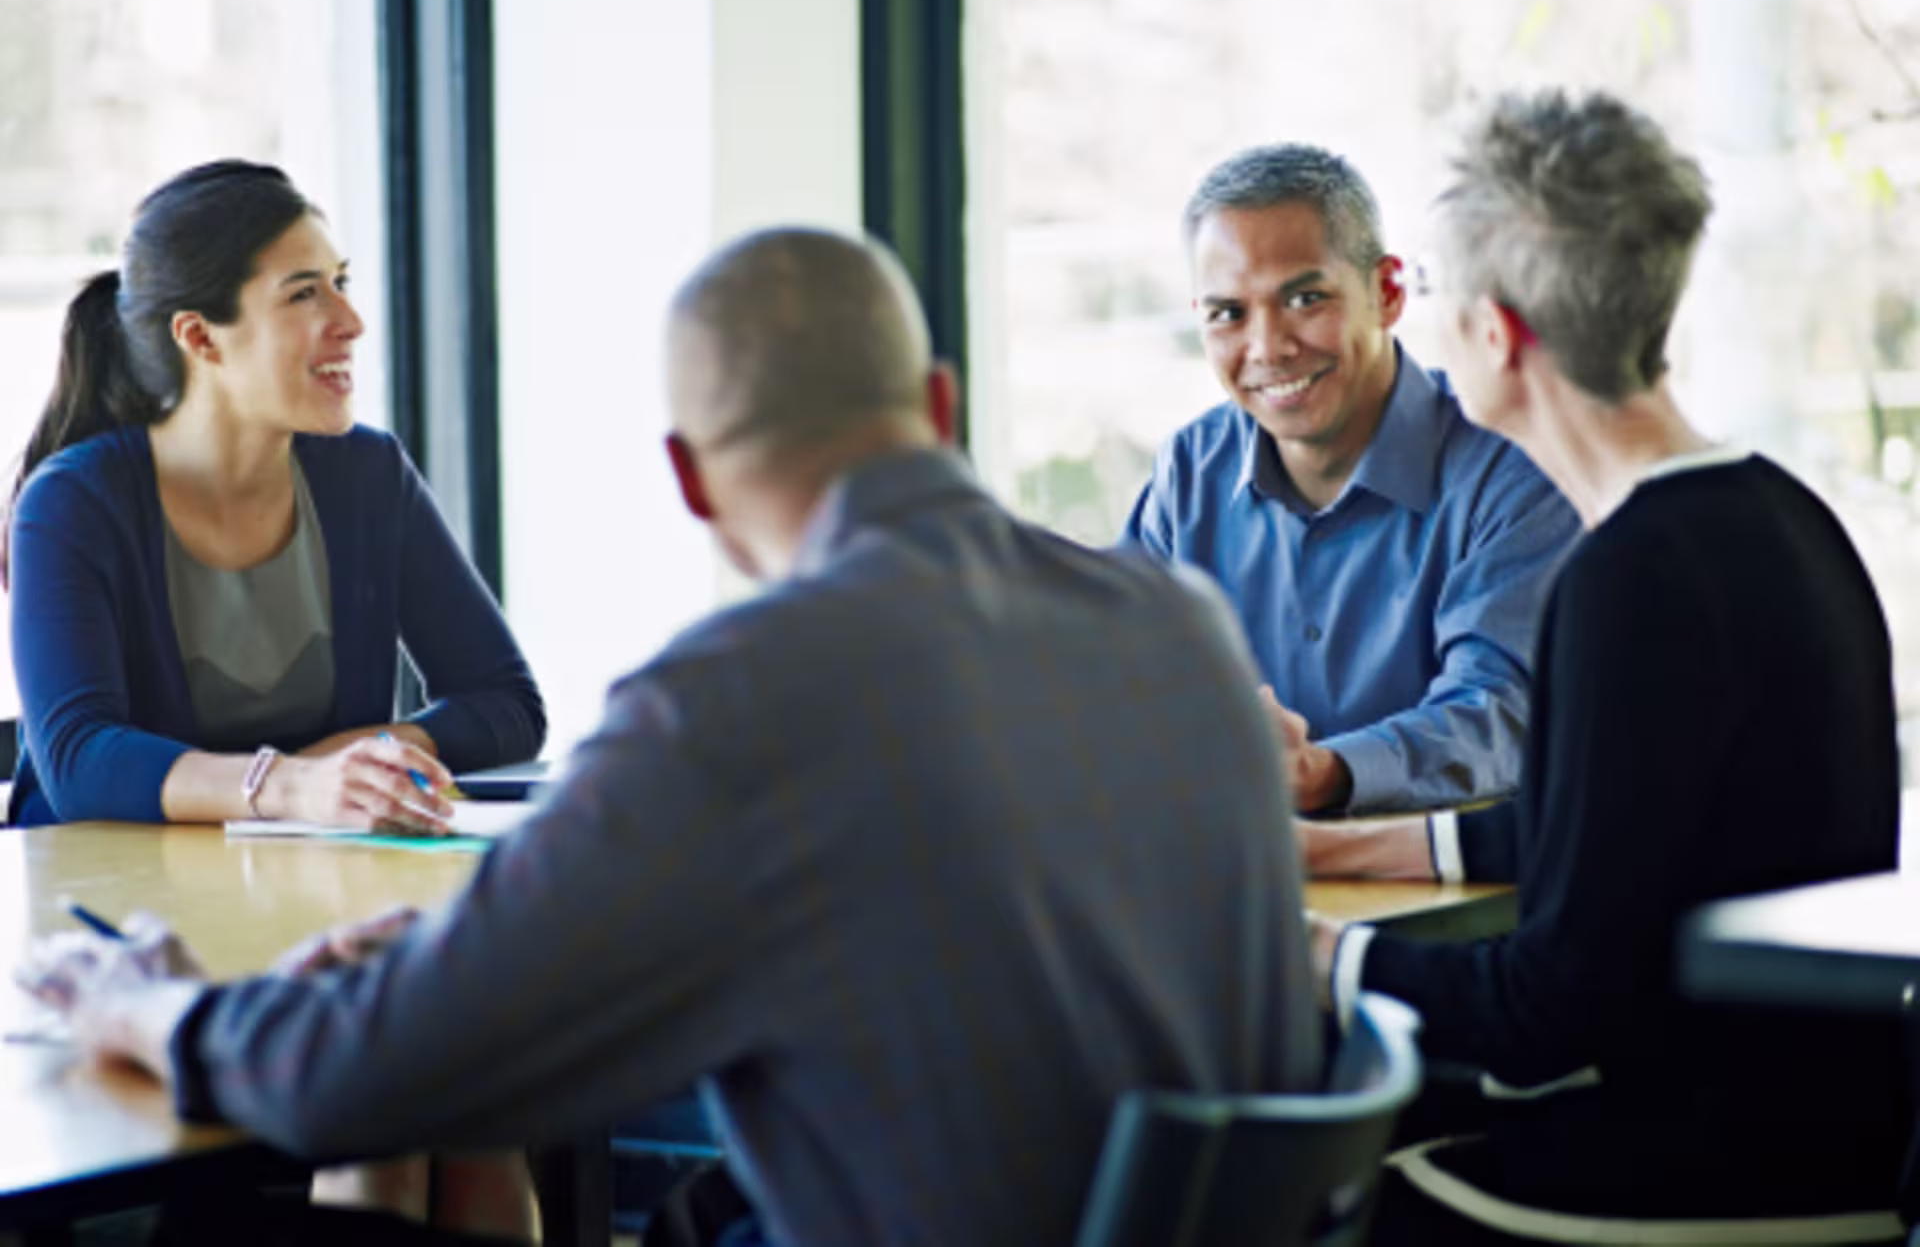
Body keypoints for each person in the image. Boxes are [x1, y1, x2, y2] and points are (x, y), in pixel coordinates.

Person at [19, 227, 1323, 1247]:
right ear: (939, 402)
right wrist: (470, 952)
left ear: (690, 476)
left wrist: (150, 1003)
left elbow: (359, 1080)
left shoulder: (737, 700)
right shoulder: (1184, 627)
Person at [1299, 90, 1909, 1241]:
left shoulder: (1630, 579)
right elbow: (1614, 833)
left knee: (1305, 1188)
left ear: (1498, 334)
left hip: (1721, 1174)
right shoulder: (1783, 515)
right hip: (1831, 1132)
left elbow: (1547, 1012)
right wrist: (1334, 849)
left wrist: (1309, 951)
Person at [6, 161, 545, 830]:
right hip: (107, 885)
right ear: (199, 337)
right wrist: (286, 785)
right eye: (303, 294)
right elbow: (80, 760)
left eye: (341, 283)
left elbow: (506, 704)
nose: (351, 321)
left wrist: (346, 765)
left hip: (303, 873)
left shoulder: (369, 475)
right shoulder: (72, 503)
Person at [1123, 144, 1579, 813]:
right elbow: (1121, 682)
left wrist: (1326, 771)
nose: (1268, 348)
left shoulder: (1513, 467)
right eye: (1228, 314)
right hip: (1243, 870)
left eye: (1305, 299)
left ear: (1387, 293)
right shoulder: (1189, 471)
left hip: (1447, 878)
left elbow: (1502, 713)